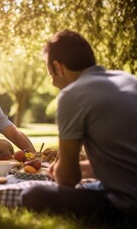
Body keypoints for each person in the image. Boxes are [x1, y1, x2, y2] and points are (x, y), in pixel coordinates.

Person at [20, 30, 137, 219]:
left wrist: (60, 170)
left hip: (127, 204)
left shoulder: (71, 94)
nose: (52, 82)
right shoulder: (128, 80)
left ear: (58, 67)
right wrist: (82, 168)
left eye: (50, 74)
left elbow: (67, 179)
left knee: (33, 195)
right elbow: (123, 159)